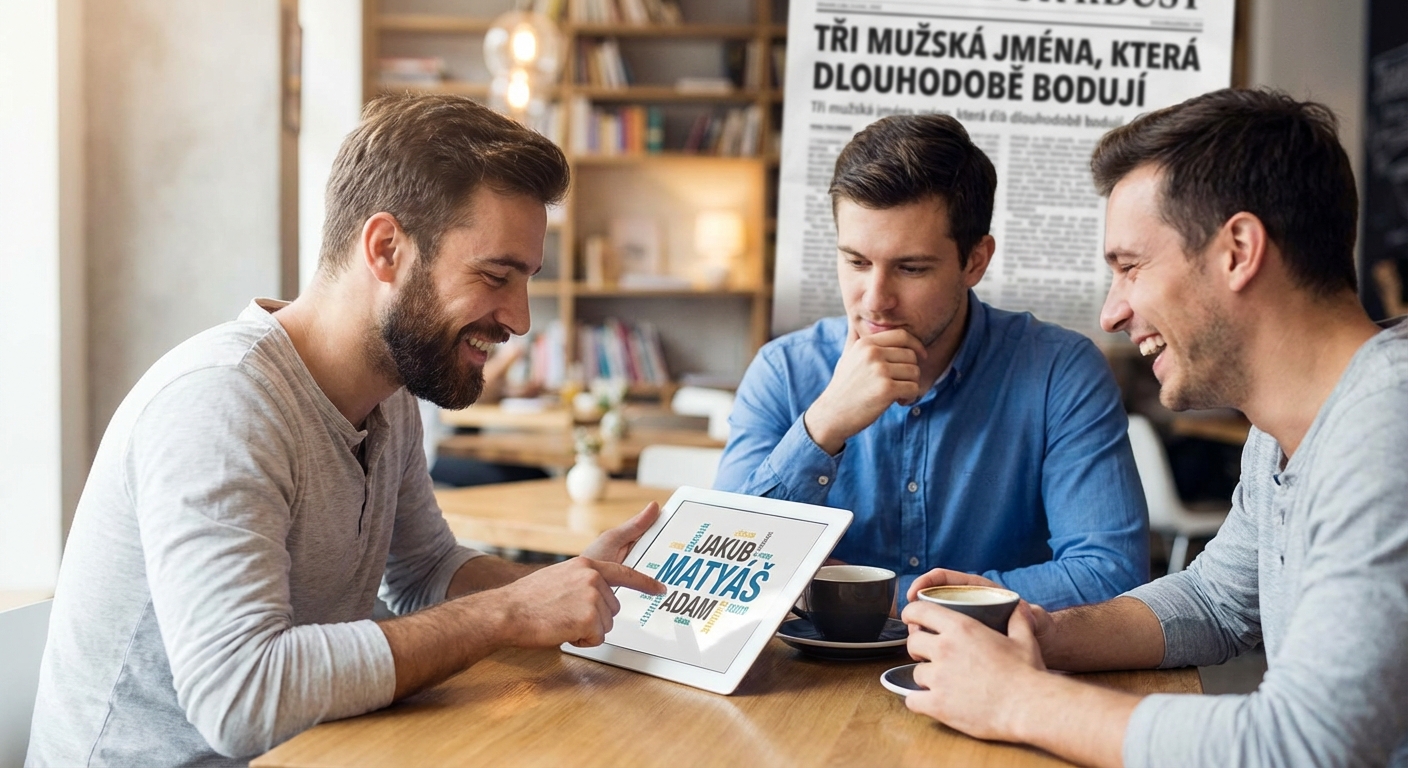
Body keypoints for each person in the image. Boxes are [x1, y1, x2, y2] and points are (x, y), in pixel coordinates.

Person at [26, 94, 664, 766]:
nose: (519, 319)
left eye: (526, 281)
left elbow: (425, 571)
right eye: (495, 276)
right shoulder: (221, 403)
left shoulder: (388, 398)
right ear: (386, 248)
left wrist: (566, 586)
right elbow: (241, 698)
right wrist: (508, 613)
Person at [900, 88, 1408, 768]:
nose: (1112, 312)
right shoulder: (1287, 428)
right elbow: (1217, 600)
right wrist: (1041, 632)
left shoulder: (1386, 421)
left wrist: (1017, 699)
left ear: (1237, 250)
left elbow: (1306, 747)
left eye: (1130, 267)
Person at [714, 114, 1149, 611]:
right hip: (812, 679)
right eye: (856, 262)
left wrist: (866, 595)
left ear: (975, 262)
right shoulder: (783, 371)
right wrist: (823, 426)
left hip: (999, 673)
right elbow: (726, 569)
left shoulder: (1060, 372)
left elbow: (1110, 576)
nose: (875, 300)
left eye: (911, 268)